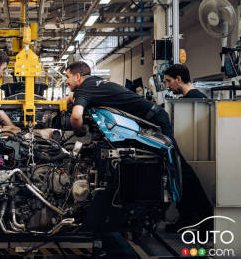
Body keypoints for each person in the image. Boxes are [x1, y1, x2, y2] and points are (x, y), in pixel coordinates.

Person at [64, 61, 212, 232]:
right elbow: (75, 98)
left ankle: (206, 219)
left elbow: (76, 117)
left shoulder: (85, 88)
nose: (66, 81)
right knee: (171, 170)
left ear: (78, 76)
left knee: (179, 170)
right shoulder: (95, 82)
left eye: (67, 77)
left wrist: (79, 130)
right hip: (154, 118)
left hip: (154, 121)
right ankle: (186, 217)